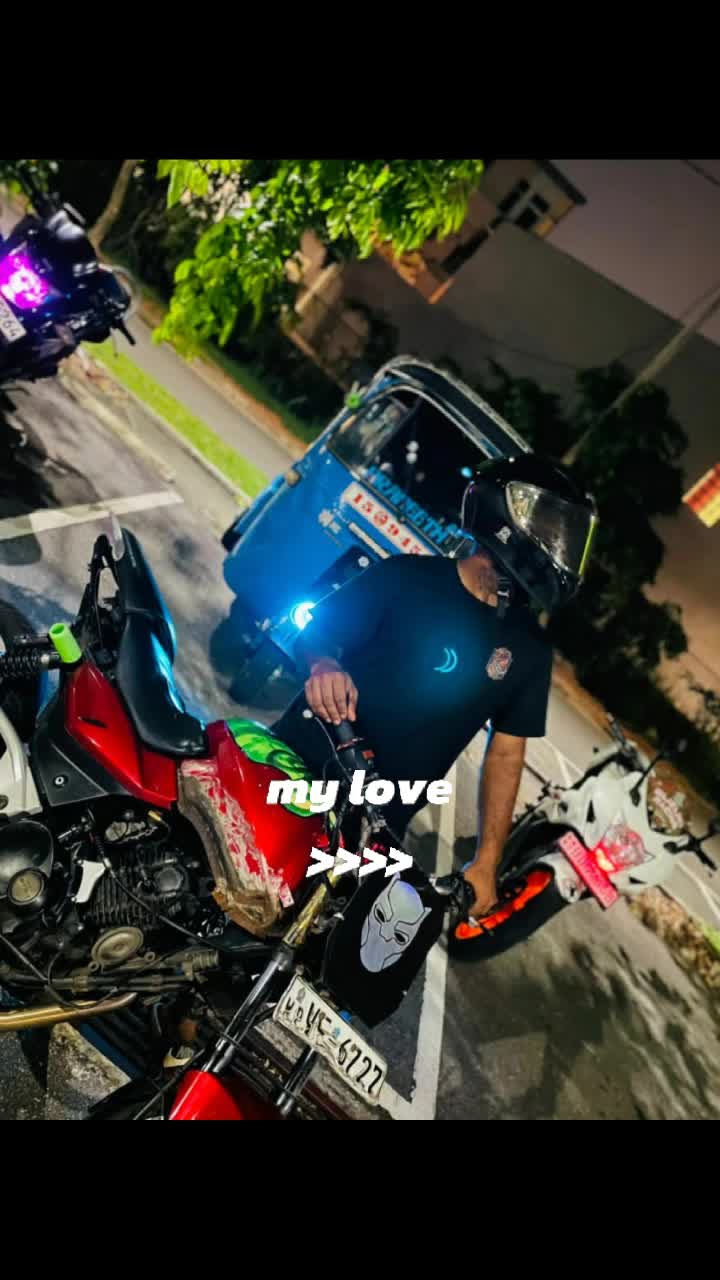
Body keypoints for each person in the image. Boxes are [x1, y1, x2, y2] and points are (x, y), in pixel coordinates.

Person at [271, 454, 597, 922]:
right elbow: (315, 633)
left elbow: (507, 753)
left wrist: (487, 863)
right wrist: (323, 665)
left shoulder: (529, 650)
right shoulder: (406, 577)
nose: (557, 548)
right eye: (550, 530)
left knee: (324, 946)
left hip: (376, 825)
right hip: (295, 768)